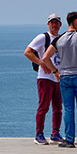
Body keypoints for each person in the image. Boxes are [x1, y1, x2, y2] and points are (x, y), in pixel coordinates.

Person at [41, 11, 77, 147]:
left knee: (68, 110)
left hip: (65, 76)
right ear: (76, 21)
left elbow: (45, 58)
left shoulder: (58, 39)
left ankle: (69, 139)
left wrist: (56, 72)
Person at [25, 14, 64, 145]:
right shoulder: (43, 38)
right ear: (48, 24)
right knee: (44, 106)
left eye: (57, 22)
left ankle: (55, 133)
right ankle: (39, 134)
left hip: (58, 77)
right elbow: (28, 52)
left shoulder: (61, 39)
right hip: (45, 77)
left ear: (60, 25)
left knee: (58, 108)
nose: (55, 25)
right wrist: (41, 63)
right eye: (52, 22)